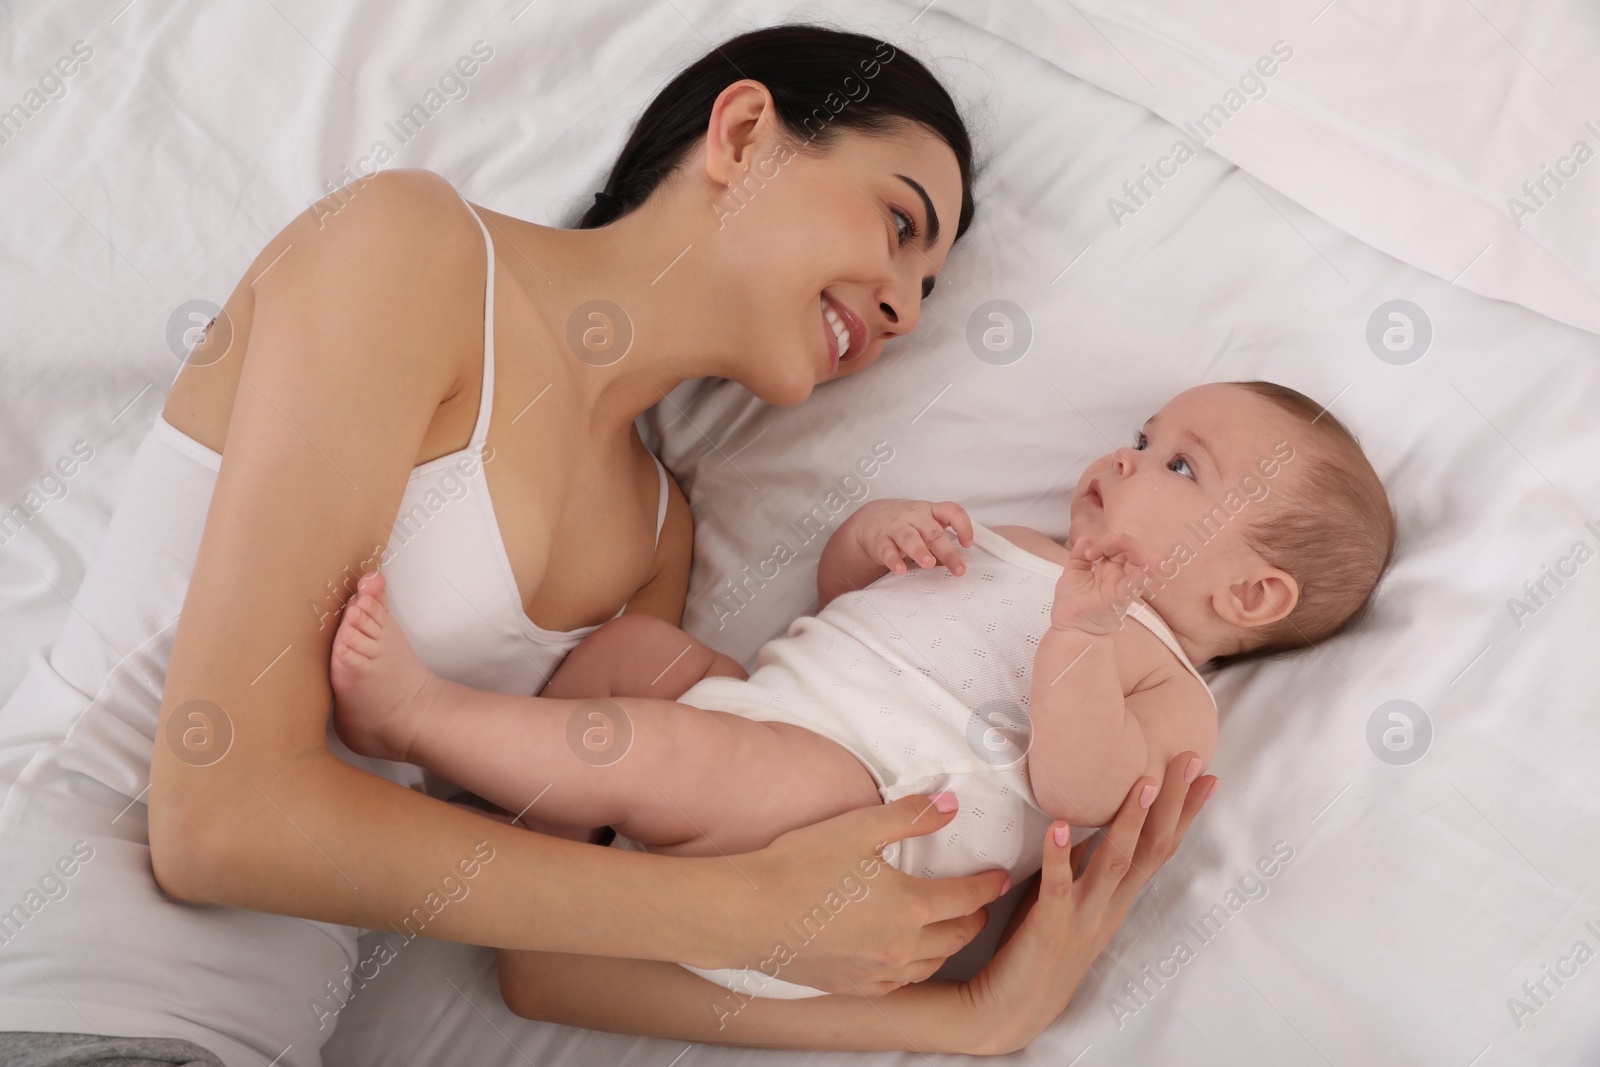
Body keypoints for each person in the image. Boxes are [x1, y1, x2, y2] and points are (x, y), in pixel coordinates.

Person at [0, 24, 1215, 1067]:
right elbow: (223, 818)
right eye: (900, 225)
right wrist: (729, 902)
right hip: (57, 971)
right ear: (741, 135)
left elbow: (550, 967)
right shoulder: (411, 248)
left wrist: (969, 1019)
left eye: (928, 289)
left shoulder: (653, 542)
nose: (901, 303)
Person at [324, 379, 1391, 1016]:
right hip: (771, 715)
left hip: (857, 836)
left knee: (695, 755)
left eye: (1180, 467)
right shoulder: (1022, 544)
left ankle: (414, 717)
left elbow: (1077, 786)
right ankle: (548, 834)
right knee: (637, 654)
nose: (1126, 456)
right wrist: (876, 538)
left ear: (1249, 590)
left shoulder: (1162, 680)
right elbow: (843, 602)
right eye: (1143, 431)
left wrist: (1081, 636)